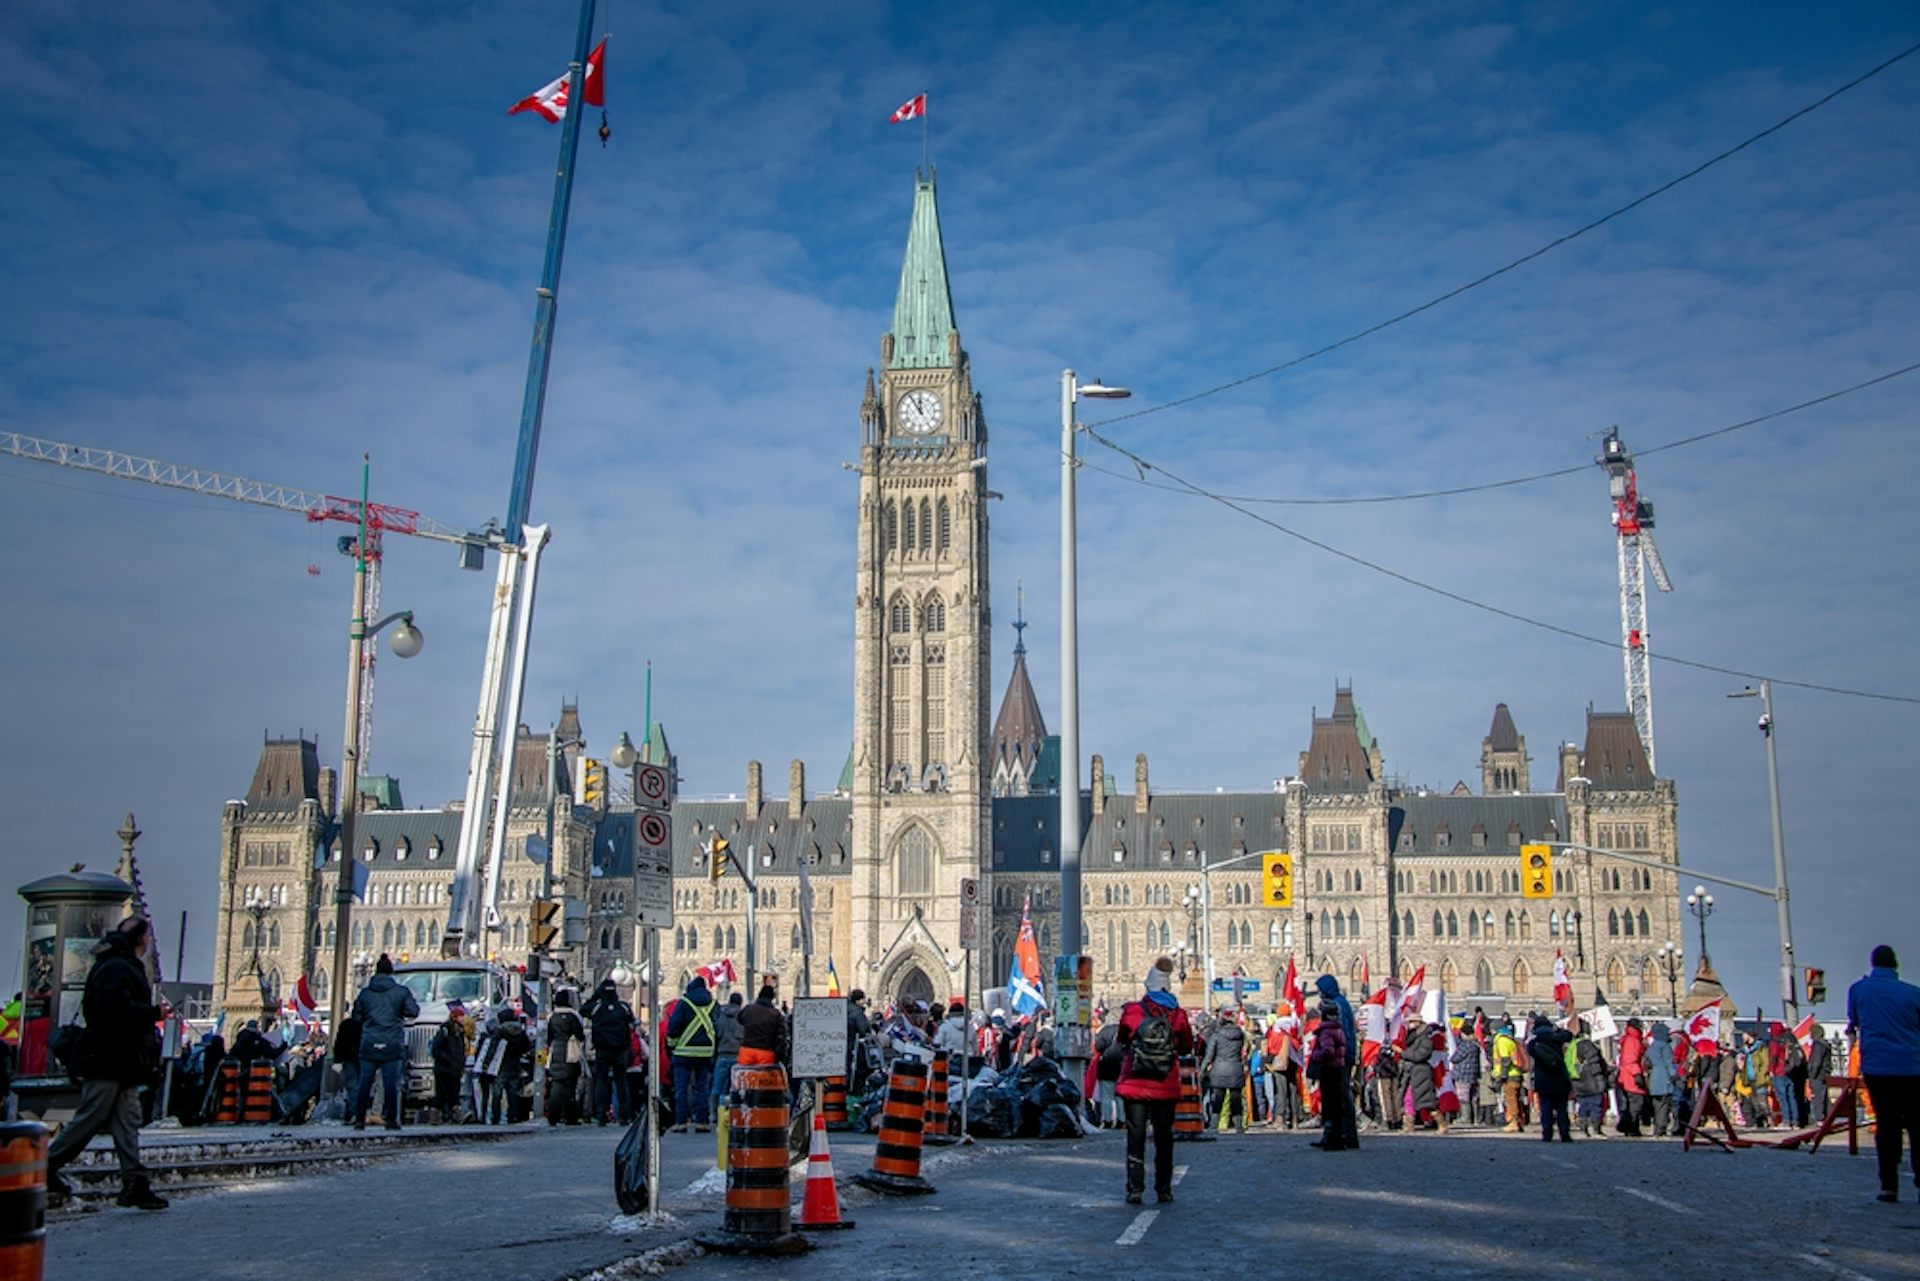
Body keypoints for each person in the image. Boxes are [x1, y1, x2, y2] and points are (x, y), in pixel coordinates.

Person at [45, 918, 168, 1210]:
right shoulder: (116, 966)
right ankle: (43, 1167)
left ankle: (135, 1183)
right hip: (107, 1059)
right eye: (147, 937)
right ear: (139, 939)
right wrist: (151, 1013)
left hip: (122, 1061)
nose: (149, 943)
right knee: (91, 1117)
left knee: (127, 1123)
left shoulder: (119, 963)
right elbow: (108, 1010)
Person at [1115, 958, 1194, 1204]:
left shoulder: (1133, 1011)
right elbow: (1186, 1047)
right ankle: (1164, 1189)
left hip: (1135, 1082)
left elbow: (1122, 1039)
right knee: (1164, 1138)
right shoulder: (1177, 1015)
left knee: (1135, 1137)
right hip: (1165, 1083)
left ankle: (1135, 1188)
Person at [1847, 944, 1920, 1204]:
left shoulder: (1859, 990)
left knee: (1887, 1125)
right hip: (1913, 1068)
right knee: (1916, 1126)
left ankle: (1889, 1185)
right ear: (1896, 965)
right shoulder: (1914, 994)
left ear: (1872, 964)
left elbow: (1854, 1023)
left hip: (1878, 1067)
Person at [350, 954, 419, 1131]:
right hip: (392, 1043)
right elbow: (413, 1011)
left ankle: (359, 1118)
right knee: (390, 1084)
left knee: (364, 1083)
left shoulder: (365, 993)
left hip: (369, 1042)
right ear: (391, 973)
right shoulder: (401, 992)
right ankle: (390, 1119)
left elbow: (356, 1017)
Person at [665, 974, 718, 1132]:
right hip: (705, 1054)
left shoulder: (684, 1003)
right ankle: (702, 1122)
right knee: (701, 1088)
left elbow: (674, 1026)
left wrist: (672, 1044)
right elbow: (718, 1028)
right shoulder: (713, 1005)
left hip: (683, 1054)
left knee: (681, 1088)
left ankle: (681, 1122)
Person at [583, 977, 637, 1126]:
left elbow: (583, 1009)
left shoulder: (597, 1008)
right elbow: (633, 1022)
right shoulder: (623, 1007)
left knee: (601, 1081)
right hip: (620, 1050)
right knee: (621, 1082)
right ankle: (624, 1115)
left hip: (602, 1049)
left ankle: (601, 1115)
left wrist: (596, 995)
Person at [1307, 997, 1356, 1151]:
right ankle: (1335, 1137)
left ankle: (1333, 1139)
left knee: (1330, 1105)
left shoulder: (1327, 1031)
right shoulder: (1338, 1029)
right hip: (1338, 1068)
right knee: (1336, 1105)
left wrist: (1315, 1056)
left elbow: (1328, 1050)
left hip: (1329, 1069)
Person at [1200, 1004, 1248, 1133]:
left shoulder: (1216, 1035)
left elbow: (1209, 1056)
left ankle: (1214, 1125)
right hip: (1236, 1068)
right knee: (1236, 1099)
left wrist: (1202, 1071)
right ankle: (1239, 1126)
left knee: (1218, 1099)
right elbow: (1242, 1051)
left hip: (1219, 1069)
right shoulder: (1240, 1034)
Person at [1527, 1014, 1574, 1142]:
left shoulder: (1534, 1043)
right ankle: (1564, 1133)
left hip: (1543, 1079)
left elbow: (1529, 1051)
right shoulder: (1557, 1038)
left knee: (1546, 1108)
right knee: (1561, 1108)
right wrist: (1557, 1029)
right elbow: (1569, 1035)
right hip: (1560, 1078)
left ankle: (1547, 1133)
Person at [543, 991, 586, 1125]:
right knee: (570, 1087)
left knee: (556, 1085)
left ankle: (553, 1116)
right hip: (570, 1053)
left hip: (555, 1052)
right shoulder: (574, 1016)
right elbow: (580, 1035)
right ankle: (570, 1116)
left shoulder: (552, 1016)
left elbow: (547, 1037)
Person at [429, 1004, 470, 1124]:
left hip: (454, 1068)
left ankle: (445, 1115)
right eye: (461, 1016)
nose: (463, 1018)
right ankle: (453, 1114)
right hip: (444, 1068)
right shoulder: (445, 1030)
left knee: (452, 1091)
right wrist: (448, 1060)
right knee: (443, 1092)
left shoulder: (460, 1032)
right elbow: (436, 1050)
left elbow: (460, 1050)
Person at [709, 991, 745, 1123]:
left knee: (717, 1087)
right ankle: (735, 1113)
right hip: (738, 1055)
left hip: (722, 1054)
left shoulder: (721, 1016)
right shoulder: (743, 1017)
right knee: (737, 1087)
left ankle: (714, 1114)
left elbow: (715, 1033)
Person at [1571, 1018, 1610, 1137]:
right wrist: (1600, 1079)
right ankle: (1595, 1128)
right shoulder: (1588, 1045)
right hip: (1590, 1080)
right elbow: (1595, 1062)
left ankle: (1583, 1128)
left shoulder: (1573, 1045)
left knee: (1583, 1105)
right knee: (1595, 1105)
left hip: (1577, 1080)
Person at [1400, 1013, 1438, 1130]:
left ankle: (1441, 1123)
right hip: (1413, 1072)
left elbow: (1420, 1055)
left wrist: (1403, 1053)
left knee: (1427, 1103)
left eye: (1412, 1021)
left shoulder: (1425, 1039)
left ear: (1418, 1023)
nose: (1409, 1024)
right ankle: (1409, 1124)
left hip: (1421, 1072)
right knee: (1408, 1099)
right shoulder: (1413, 1037)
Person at [1767, 1020, 1804, 1129]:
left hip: (1779, 1072)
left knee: (1783, 1097)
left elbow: (1773, 1057)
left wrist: (1771, 1070)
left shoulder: (1775, 1042)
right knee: (1792, 1096)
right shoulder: (1788, 1039)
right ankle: (1795, 1121)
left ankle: (1786, 1121)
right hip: (1790, 1071)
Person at [1092, 1017, 1124, 1128]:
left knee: (1106, 1096)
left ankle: (1108, 1120)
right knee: (1120, 1096)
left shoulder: (1105, 1031)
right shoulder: (1125, 1030)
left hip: (1106, 1065)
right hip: (1122, 1066)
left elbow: (1098, 1046)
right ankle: (1122, 1120)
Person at [1449, 1022, 1482, 1129]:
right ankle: (1474, 1118)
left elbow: (1455, 1058)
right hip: (1472, 1074)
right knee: (1472, 1097)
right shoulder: (1476, 1045)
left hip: (1463, 1074)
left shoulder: (1466, 1045)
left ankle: (1465, 1117)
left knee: (1463, 1097)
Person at [1807, 1031, 1835, 1125]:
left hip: (1818, 1075)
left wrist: (1812, 1075)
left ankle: (1820, 1118)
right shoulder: (1825, 1044)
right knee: (1824, 1097)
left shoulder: (1818, 1045)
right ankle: (1828, 1117)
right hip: (1824, 1074)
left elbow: (1816, 1062)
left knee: (1818, 1097)